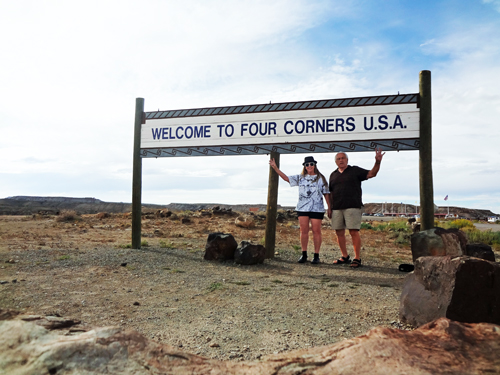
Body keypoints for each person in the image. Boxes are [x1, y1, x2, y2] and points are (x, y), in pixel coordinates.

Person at [327, 148, 385, 268]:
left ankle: (357, 258)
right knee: (339, 232)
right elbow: (330, 193)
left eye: (343, 158)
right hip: (337, 207)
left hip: (353, 206)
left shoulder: (354, 170)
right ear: (335, 162)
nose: (341, 160)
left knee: (353, 231)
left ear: (347, 160)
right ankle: (344, 256)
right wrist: (329, 207)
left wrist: (377, 162)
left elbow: (371, 174)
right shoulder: (333, 175)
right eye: (338, 158)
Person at [269, 156, 330, 264]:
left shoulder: (321, 178)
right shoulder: (300, 177)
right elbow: (287, 178)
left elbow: (326, 193)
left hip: (317, 208)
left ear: (315, 165)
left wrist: (329, 207)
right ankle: (304, 254)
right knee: (303, 230)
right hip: (302, 207)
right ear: (304, 166)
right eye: (307, 165)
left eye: (311, 164)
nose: (309, 166)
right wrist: (275, 168)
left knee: (316, 231)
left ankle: (316, 255)